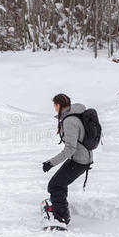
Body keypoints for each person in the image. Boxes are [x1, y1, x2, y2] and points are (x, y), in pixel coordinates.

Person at [42, 93, 93, 225]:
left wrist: (50, 163)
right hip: (80, 158)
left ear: (58, 105)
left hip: (79, 161)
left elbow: (70, 148)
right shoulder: (74, 114)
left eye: (54, 105)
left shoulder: (70, 121)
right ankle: (60, 208)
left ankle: (61, 217)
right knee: (59, 183)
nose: (54, 108)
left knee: (55, 185)